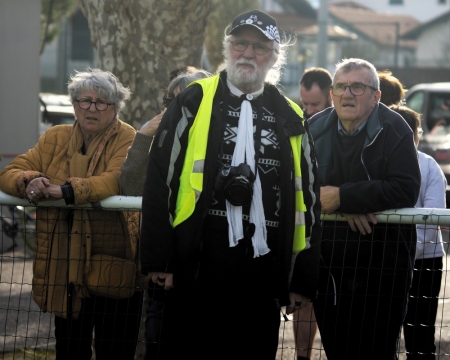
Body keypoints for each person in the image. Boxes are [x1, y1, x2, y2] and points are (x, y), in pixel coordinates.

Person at [139, 9, 322, 360]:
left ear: (274, 57)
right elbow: (160, 178)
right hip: (197, 262)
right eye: (240, 43)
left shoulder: (290, 115)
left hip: (262, 269)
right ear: (227, 48)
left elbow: (308, 200)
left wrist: (301, 279)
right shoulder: (193, 99)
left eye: (260, 47)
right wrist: (159, 259)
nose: (248, 54)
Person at [0, 68, 144, 360]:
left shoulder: (127, 137)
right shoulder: (55, 137)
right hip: (65, 269)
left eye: (101, 102)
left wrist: (64, 192)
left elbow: (113, 180)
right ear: (74, 103)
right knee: (69, 349)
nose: (91, 108)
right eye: (84, 100)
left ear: (115, 107)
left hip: (113, 268)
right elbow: (9, 172)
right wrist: (31, 180)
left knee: (114, 350)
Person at [309, 58, 421, 360]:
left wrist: (345, 197)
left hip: (383, 269)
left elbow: (406, 188)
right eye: (341, 87)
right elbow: (300, 187)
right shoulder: (314, 129)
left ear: (376, 95)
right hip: (330, 269)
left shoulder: (395, 128)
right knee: (338, 351)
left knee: (378, 352)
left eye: (357, 87)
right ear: (332, 93)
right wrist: (349, 201)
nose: (347, 94)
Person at [119, 68, 211, 360]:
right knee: (158, 344)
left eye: (187, 102)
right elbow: (131, 186)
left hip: (206, 271)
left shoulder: (220, 140)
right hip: (164, 271)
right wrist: (145, 135)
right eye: (171, 102)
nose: (179, 110)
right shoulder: (158, 136)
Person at [391, 105, 446, 360]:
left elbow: (431, 217)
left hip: (418, 263)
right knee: (388, 333)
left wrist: (403, 252)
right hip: (394, 261)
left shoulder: (429, 166)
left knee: (419, 333)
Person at [293, 66, 332, 360]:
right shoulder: (299, 125)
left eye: (314, 105)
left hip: (337, 236)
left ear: (330, 97)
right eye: (304, 103)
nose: (307, 110)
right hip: (306, 230)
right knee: (302, 302)